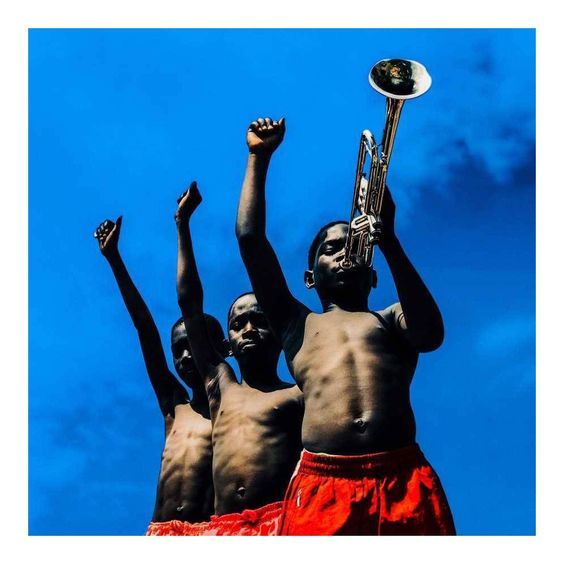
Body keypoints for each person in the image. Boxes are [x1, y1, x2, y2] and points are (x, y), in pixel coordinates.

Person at [235, 117, 455, 535]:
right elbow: (250, 239)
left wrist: (387, 238)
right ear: (310, 277)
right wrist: (257, 157)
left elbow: (431, 335)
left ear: (373, 275)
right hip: (323, 483)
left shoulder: (391, 318)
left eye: (354, 245)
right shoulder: (296, 324)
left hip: (402, 477)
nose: (344, 253)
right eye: (330, 249)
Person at [175, 182, 303, 535]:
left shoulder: (298, 395)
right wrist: (182, 226)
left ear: (280, 334)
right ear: (227, 343)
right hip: (222, 531)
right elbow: (190, 304)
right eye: (238, 324)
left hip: (282, 525)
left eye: (260, 321)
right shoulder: (221, 387)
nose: (248, 329)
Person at [94, 217, 224, 536]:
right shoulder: (174, 407)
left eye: (192, 346)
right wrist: (114, 258)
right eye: (177, 350)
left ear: (221, 349)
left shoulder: (234, 413)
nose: (183, 357)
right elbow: (144, 329)